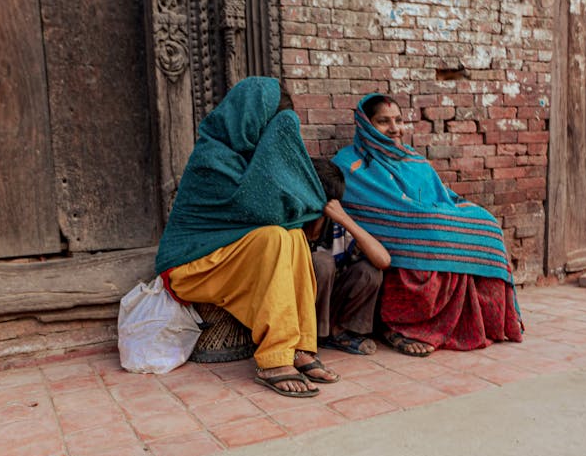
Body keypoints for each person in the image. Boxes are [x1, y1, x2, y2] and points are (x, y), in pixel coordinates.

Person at [155, 77, 340, 397]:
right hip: (188, 267)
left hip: (227, 257)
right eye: (276, 126)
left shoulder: (256, 159)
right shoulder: (213, 156)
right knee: (275, 237)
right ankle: (274, 358)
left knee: (293, 236)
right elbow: (266, 210)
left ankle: (300, 347)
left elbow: (295, 211)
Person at [332, 94, 523, 356]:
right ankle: (399, 328)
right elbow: (384, 210)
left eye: (398, 120)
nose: (395, 128)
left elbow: (440, 193)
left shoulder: (412, 158)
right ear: (366, 124)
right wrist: (429, 219)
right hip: (396, 235)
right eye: (383, 121)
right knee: (432, 233)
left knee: (487, 225)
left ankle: (482, 322)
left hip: (427, 220)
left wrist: (458, 211)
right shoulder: (349, 163)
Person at [306, 158, 391, 355]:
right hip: (299, 311)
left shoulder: (335, 228)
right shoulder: (292, 226)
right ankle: (312, 336)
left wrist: (343, 218)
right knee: (322, 262)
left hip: (330, 308)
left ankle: (339, 333)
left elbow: (383, 260)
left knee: (369, 271)